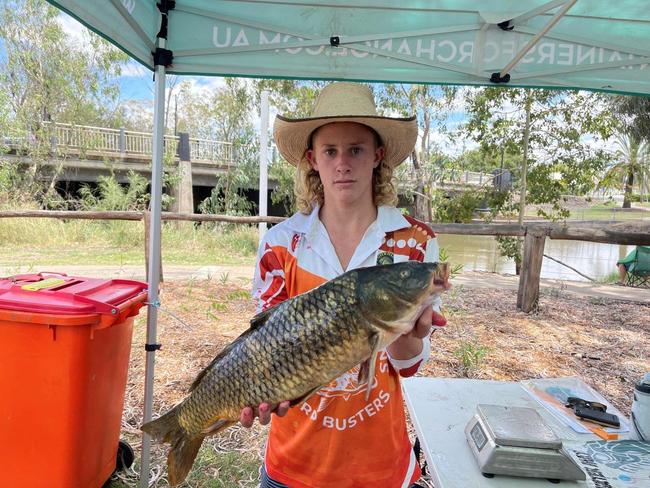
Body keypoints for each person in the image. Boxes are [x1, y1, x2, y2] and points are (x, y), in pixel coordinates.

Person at [242, 82, 447, 488]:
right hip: (293, 463)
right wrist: (257, 390)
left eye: (355, 149)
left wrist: (408, 331)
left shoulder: (416, 243)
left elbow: (408, 366)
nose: (343, 164)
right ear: (312, 160)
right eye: (330, 151)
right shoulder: (280, 244)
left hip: (378, 467)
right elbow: (265, 344)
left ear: (378, 156)